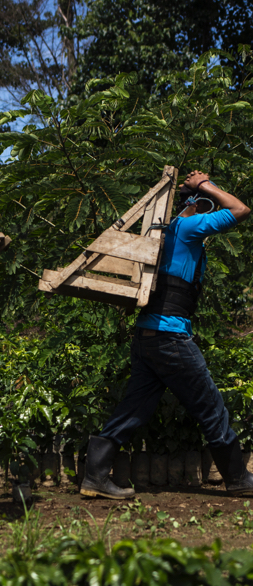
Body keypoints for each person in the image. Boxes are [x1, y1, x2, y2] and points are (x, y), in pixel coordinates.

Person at [82, 170, 253, 500]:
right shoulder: (190, 229)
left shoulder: (171, 230)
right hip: (170, 337)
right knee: (212, 407)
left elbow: (192, 210)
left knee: (135, 408)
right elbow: (241, 210)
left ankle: (95, 476)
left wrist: (194, 195)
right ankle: (236, 478)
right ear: (202, 210)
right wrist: (205, 184)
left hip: (146, 337)